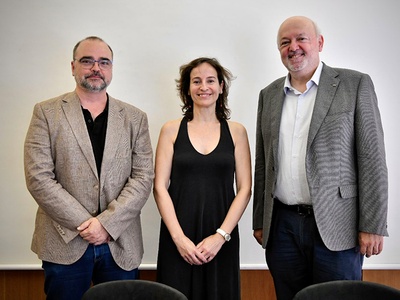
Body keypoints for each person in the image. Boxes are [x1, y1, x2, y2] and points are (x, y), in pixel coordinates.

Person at [252, 16, 388, 300]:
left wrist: (373, 225)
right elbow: (264, 163)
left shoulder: (355, 85)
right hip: (282, 227)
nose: (293, 47)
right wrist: (260, 220)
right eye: (285, 42)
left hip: (337, 226)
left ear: (319, 43)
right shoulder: (269, 95)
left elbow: (372, 158)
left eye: (301, 39)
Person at [24, 36, 154, 300]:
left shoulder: (135, 118)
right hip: (63, 242)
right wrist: (87, 224)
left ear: (111, 68)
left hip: (120, 243)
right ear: (73, 67)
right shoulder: (46, 113)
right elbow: (39, 178)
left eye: (103, 62)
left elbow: (143, 177)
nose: (96, 68)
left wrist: (106, 225)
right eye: (87, 61)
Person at [153, 57, 252, 300]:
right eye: (196, 81)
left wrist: (221, 236)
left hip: (222, 238)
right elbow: (159, 187)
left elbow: (245, 188)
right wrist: (179, 239)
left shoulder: (237, 131)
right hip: (178, 236)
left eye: (210, 81)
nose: (203, 87)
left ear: (220, 87)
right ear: (187, 89)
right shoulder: (171, 129)